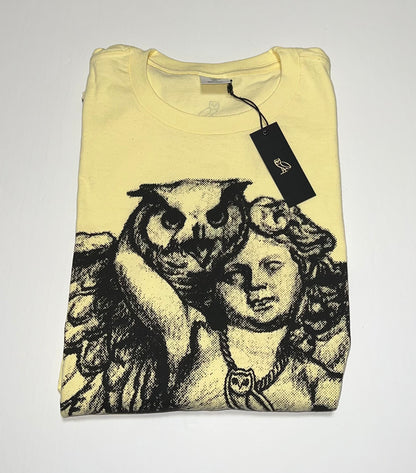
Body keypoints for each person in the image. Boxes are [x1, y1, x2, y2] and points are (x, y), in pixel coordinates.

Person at [113, 196, 350, 412]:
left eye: (272, 266)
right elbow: (128, 260)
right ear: (212, 286)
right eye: (235, 273)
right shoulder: (194, 338)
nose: (256, 283)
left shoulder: (314, 379)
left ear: (304, 270)